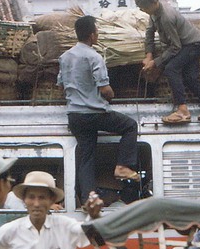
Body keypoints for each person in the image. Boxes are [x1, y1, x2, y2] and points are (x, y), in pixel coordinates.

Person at [58, 15, 140, 201]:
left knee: (87, 156)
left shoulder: (65, 57)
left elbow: (61, 85)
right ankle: (123, 166)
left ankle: (89, 198)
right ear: (92, 35)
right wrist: (111, 94)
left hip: (75, 116)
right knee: (129, 126)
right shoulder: (94, 56)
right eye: (97, 32)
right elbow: (105, 89)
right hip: (93, 114)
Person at [135, 0, 200, 125]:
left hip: (193, 44)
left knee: (171, 69)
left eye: (144, 8)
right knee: (191, 78)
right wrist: (148, 55)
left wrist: (155, 62)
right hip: (189, 44)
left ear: (154, 2)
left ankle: (182, 110)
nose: (143, 11)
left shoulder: (166, 17)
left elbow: (175, 48)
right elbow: (149, 31)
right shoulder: (154, 10)